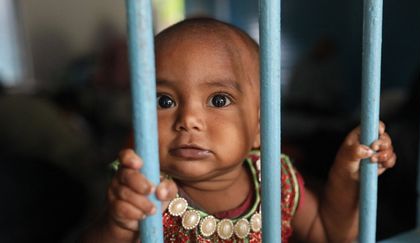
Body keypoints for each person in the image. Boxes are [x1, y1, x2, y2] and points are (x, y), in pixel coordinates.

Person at [79, 17, 396, 243]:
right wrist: (118, 225)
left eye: (218, 99)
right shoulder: (141, 188)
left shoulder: (275, 179)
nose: (189, 119)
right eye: (164, 100)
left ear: (260, 127)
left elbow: (330, 235)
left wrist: (345, 176)